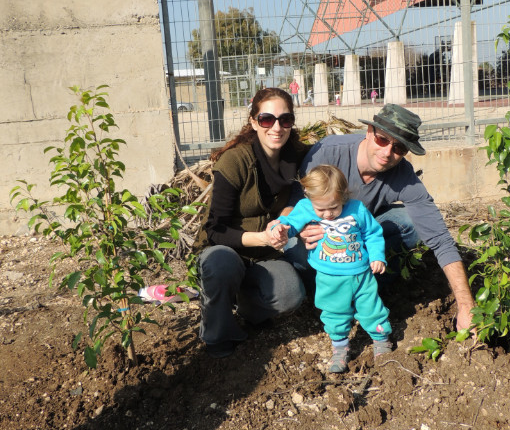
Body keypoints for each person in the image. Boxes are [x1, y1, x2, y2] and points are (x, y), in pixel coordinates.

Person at [293, 104, 476, 332]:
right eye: (382, 140)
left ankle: (366, 289)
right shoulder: (329, 152)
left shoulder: (402, 175)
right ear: (369, 132)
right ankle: (319, 296)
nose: (388, 152)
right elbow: (292, 203)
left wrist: (466, 304)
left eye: (398, 148)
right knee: (295, 251)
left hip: (357, 236)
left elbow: (439, 237)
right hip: (318, 237)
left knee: (412, 224)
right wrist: (302, 229)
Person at [194, 88, 310, 358]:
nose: (277, 127)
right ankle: (218, 329)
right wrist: (263, 238)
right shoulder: (235, 161)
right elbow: (215, 229)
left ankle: (245, 305)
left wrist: (285, 221)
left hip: (265, 256)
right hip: (226, 248)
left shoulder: (296, 156)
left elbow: (305, 190)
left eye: (285, 120)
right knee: (220, 264)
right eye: (267, 119)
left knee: (291, 294)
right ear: (254, 122)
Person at [272, 165, 391, 373]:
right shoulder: (305, 207)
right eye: (321, 210)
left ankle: (381, 339)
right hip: (329, 276)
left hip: (361, 274)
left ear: (344, 196)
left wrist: (377, 256)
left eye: (334, 208)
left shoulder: (357, 209)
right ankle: (340, 347)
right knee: (334, 311)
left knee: (370, 306)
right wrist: (280, 227)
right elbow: (291, 223)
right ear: (309, 198)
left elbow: (372, 233)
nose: (327, 214)